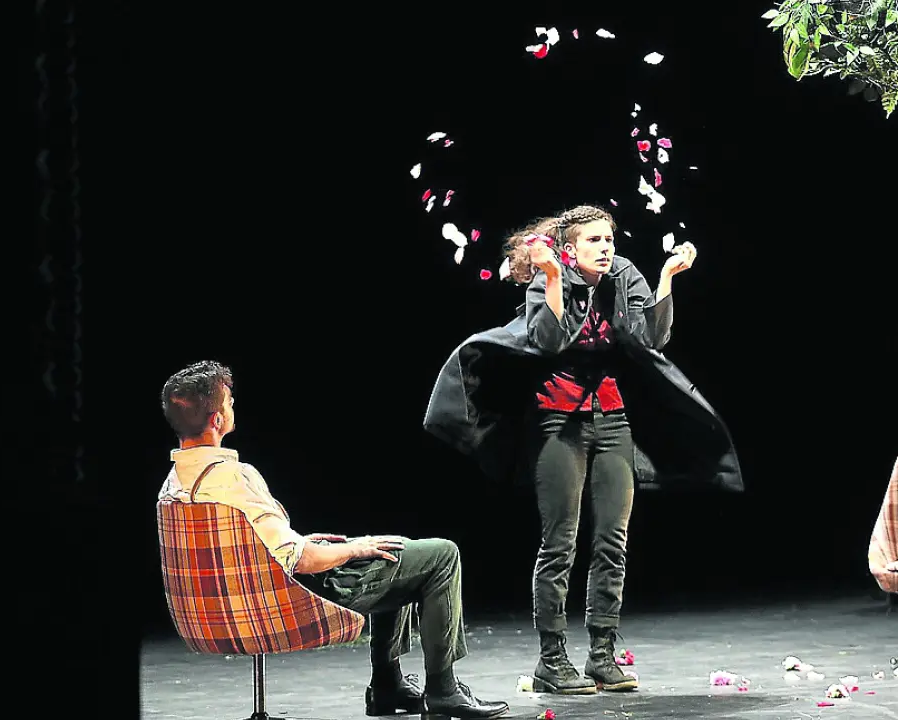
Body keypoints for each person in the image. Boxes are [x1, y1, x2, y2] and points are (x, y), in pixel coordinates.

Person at [423, 205, 744, 694]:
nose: (606, 248)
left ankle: (602, 655)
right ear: (570, 250)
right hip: (557, 420)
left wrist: (666, 279)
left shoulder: (623, 276)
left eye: (609, 239)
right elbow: (548, 341)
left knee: (613, 540)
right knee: (560, 543)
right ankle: (551, 660)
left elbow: (650, 339)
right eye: (594, 240)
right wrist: (554, 278)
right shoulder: (550, 278)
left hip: (612, 420)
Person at [157, 361, 508, 719]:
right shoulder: (235, 477)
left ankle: (388, 686)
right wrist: (354, 548)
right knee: (440, 556)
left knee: (393, 551)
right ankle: (443, 691)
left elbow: (240, 548)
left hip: (226, 606)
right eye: (229, 402)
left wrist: (304, 542)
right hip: (290, 597)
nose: (234, 406)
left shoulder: (174, 485)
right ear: (216, 420)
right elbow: (303, 561)